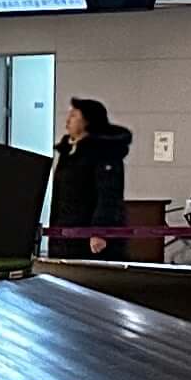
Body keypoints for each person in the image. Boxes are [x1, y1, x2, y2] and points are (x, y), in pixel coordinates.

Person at [45, 97, 132, 259]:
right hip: (65, 231)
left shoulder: (105, 152)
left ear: (87, 121)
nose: (68, 120)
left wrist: (100, 231)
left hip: (88, 238)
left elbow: (109, 194)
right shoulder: (68, 152)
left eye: (74, 115)